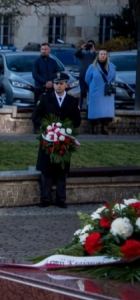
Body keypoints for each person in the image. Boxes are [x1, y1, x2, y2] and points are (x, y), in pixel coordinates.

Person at [31, 72, 81, 208]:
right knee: (46, 168)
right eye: (56, 83)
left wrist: (65, 128)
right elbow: (35, 116)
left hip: (64, 140)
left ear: (66, 84)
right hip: (48, 138)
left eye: (61, 83)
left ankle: (61, 199)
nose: (58, 86)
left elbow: (77, 120)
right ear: (53, 84)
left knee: (62, 168)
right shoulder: (45, 98)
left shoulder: (72, 101)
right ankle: (45, 198)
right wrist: (47, 126)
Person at [85, 49, 116, 135]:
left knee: (106, 110)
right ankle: (94, 128)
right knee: (95, 110)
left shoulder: (112, 66)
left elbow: (113, 77)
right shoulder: (92, 67)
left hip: (107, 92)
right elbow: (87, 79)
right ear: (98, 56)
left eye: (104, 54)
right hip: (96, 92)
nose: (103, 56)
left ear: (107, 56)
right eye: (101, 54)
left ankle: (104, 128)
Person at [32, 43, 57, 109]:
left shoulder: (53, 62)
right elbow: (35, 75)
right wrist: (45, 82)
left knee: (51, 108)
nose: (43, 51)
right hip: (39, 89)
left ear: (49, 50)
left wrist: (51, 82)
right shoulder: (36, 62)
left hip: (51, 90)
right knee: (38, 107)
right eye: (42, 49)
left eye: (45, 49)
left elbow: (56, 74)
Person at [75, 40, 97, 108]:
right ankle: (80, 106)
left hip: (92, 74)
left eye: (91, 45)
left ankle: (91, 106)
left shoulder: (95, 53)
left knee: (91, 90)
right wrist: (81, 48)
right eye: (89, 45)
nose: (89, 46)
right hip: (83, 73)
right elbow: (76, 54)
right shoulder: (83, 53)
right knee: (82, 90)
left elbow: (97, 58)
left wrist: (93, 50)